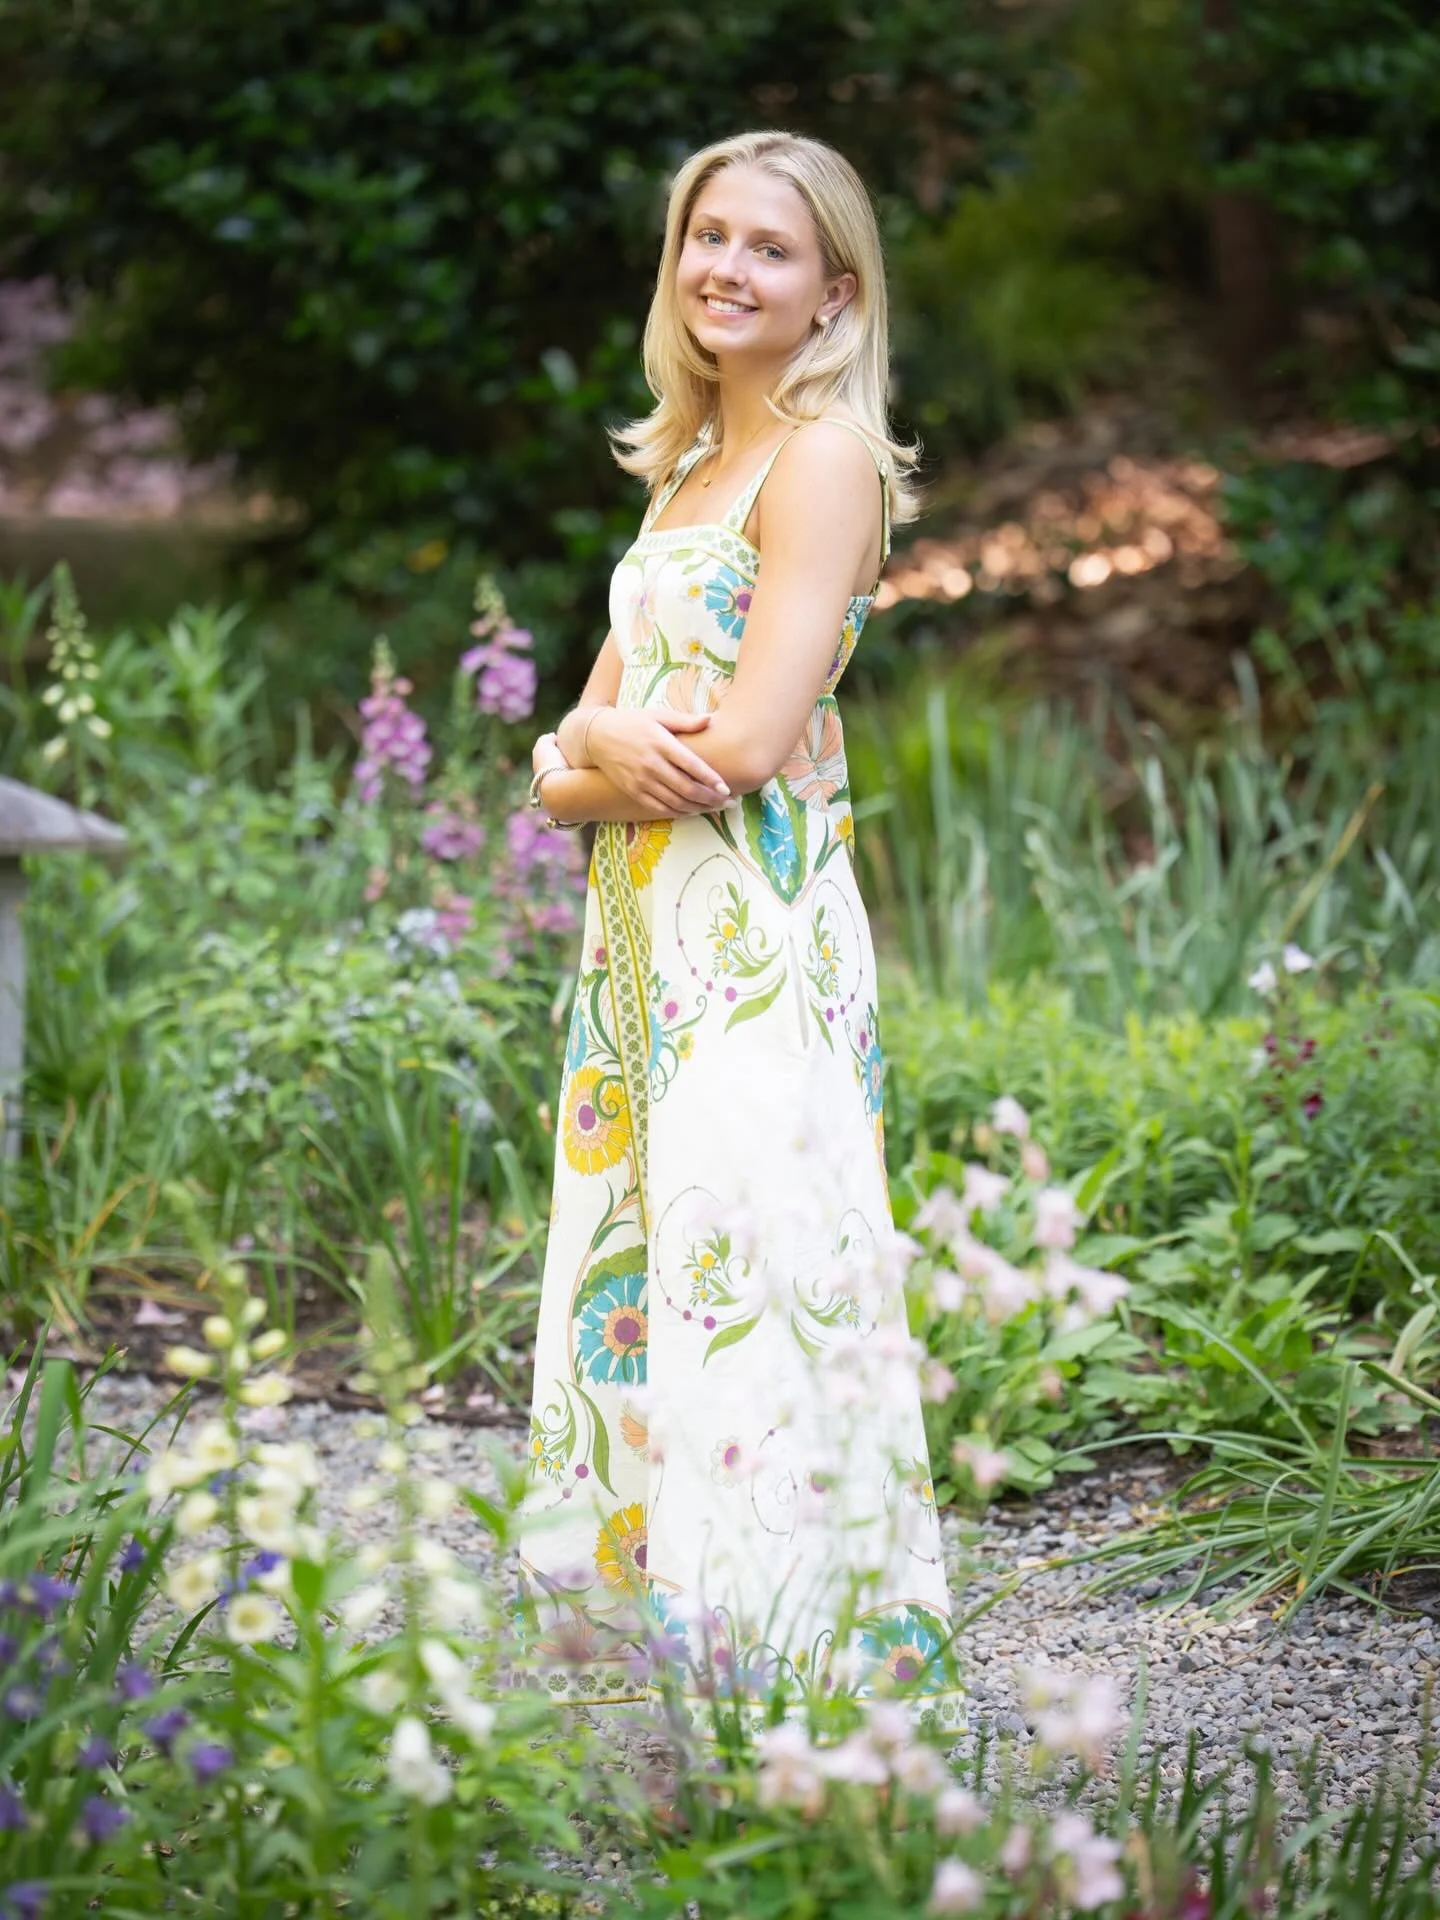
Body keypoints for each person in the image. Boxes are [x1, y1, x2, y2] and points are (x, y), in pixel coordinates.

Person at [516, 129, 962, 1733]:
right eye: (709, 235)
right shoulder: (692, 464)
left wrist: (592, 749)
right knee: (658, 1266)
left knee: (753, 1271)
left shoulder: (821, 462)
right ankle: (681, 1660)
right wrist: (590, 747)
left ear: (835, 291)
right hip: (641, 941)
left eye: (770, 248)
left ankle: (803, 1682)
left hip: (751, 942)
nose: (727, 267)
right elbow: (557, 770)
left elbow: (748, 746)